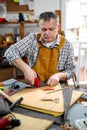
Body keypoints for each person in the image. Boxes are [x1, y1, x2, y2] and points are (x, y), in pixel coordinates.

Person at [4, 11, 75, 86]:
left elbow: (70, 71)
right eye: (43, 29)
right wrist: (26, 69)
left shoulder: (67, 45)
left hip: (58, 87)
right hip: (34, 85)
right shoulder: (32, 39)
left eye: (51, 29)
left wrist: (58, 76)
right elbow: (10, 52)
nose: (47, 33)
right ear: (39, 27)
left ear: (58, 27)